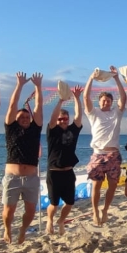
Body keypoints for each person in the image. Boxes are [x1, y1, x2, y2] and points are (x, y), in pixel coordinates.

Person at [2, 72, 44, 244]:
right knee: (8, 211)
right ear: (16, 119)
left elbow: (38, 106)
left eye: (27, 117)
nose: (25, 119)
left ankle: (22, 230)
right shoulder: (11, 128)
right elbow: (12, 105)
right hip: (12, 177)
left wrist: (38, 86)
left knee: (31, 211)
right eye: (22, 117)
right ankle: (7, 229)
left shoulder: (35, 129)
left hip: (31, 178)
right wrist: (19, 84)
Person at [83, 66, 127, 226]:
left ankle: (105, 210)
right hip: (98, 154)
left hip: (113, 154)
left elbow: (124, 97)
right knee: (96, 185)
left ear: (111, 102)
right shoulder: (94, 113)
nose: (106, 102)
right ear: (99, 102)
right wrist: (91, 78)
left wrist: (116, 78)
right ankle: (95, 211)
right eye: (103, 100)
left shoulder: (116, 113)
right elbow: (85, 97)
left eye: (108, 100)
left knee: (113, 185)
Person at [45, 82, 84, 235]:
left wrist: (77, 98)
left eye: (65, 119)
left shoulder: (73, 130)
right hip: (54, 172)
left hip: (68, 172)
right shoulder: (52, 131)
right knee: (54, 204)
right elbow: (52, 118)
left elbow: (79, 116)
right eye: (60, 119)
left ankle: (61, 221)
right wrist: (60, 101)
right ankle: (50, 220)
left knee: (69, 202)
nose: (63, 121)